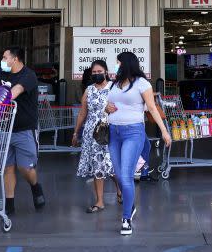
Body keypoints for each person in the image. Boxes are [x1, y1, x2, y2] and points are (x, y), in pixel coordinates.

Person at [104, 52, 171, 236]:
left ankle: (126, 219)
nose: (116, 66)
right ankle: (130, 204)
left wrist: (164, 131)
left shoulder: (142, 84)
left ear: (125, 64)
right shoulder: (113, 84)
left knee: (125, 176)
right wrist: (106, 107)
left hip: (133, 133)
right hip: (113, 132)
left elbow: (151, 107)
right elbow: (107, 105)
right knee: (118, 175)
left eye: (118, 63)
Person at [0, 47, 45, 215]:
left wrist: (2, 99)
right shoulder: (2, 73)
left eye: (4, 57)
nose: (2, 60)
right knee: (7, 167)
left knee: (24, 168)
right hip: (4, 128)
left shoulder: (28, 75)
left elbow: (16, 91)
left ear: (15, 59)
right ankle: (9, 205)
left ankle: (35, 187)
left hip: (24, 129)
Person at [72, 60, 120, 213]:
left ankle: (120, 189)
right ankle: (99, 201)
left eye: (100, 72)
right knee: (97, 167)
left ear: (106, 72)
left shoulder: (114, 87)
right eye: (94, 72)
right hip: (92, 134)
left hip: (109, 132)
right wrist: (76, 132)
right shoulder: (89, 90)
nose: (97, 74)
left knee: (110, 167)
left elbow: (122, 108)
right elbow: (82, 112)